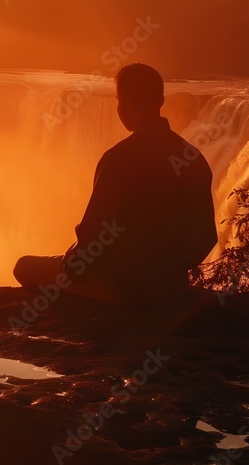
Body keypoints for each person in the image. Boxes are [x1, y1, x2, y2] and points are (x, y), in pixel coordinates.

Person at [13, 63, 218, 305]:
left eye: (119, 99)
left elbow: (92, 237)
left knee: (24, 266)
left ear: (124, 104)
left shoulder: (118, 159)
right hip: (170, 288)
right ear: (161, 100)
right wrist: (169, 273)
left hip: (120, 287)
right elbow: (207, 236)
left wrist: (70, 266)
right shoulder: (193, 158)